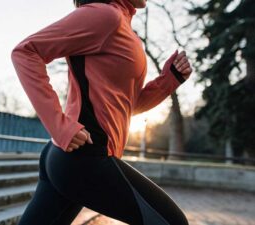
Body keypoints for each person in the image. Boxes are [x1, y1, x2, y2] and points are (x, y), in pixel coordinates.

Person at [11, 0, 192, 224]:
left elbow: (126, 105)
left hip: (74, 158)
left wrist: (169, 80)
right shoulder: (105, 16)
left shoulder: (123, 27)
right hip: (83, 157)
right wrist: (60, 126)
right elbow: (26, 52)